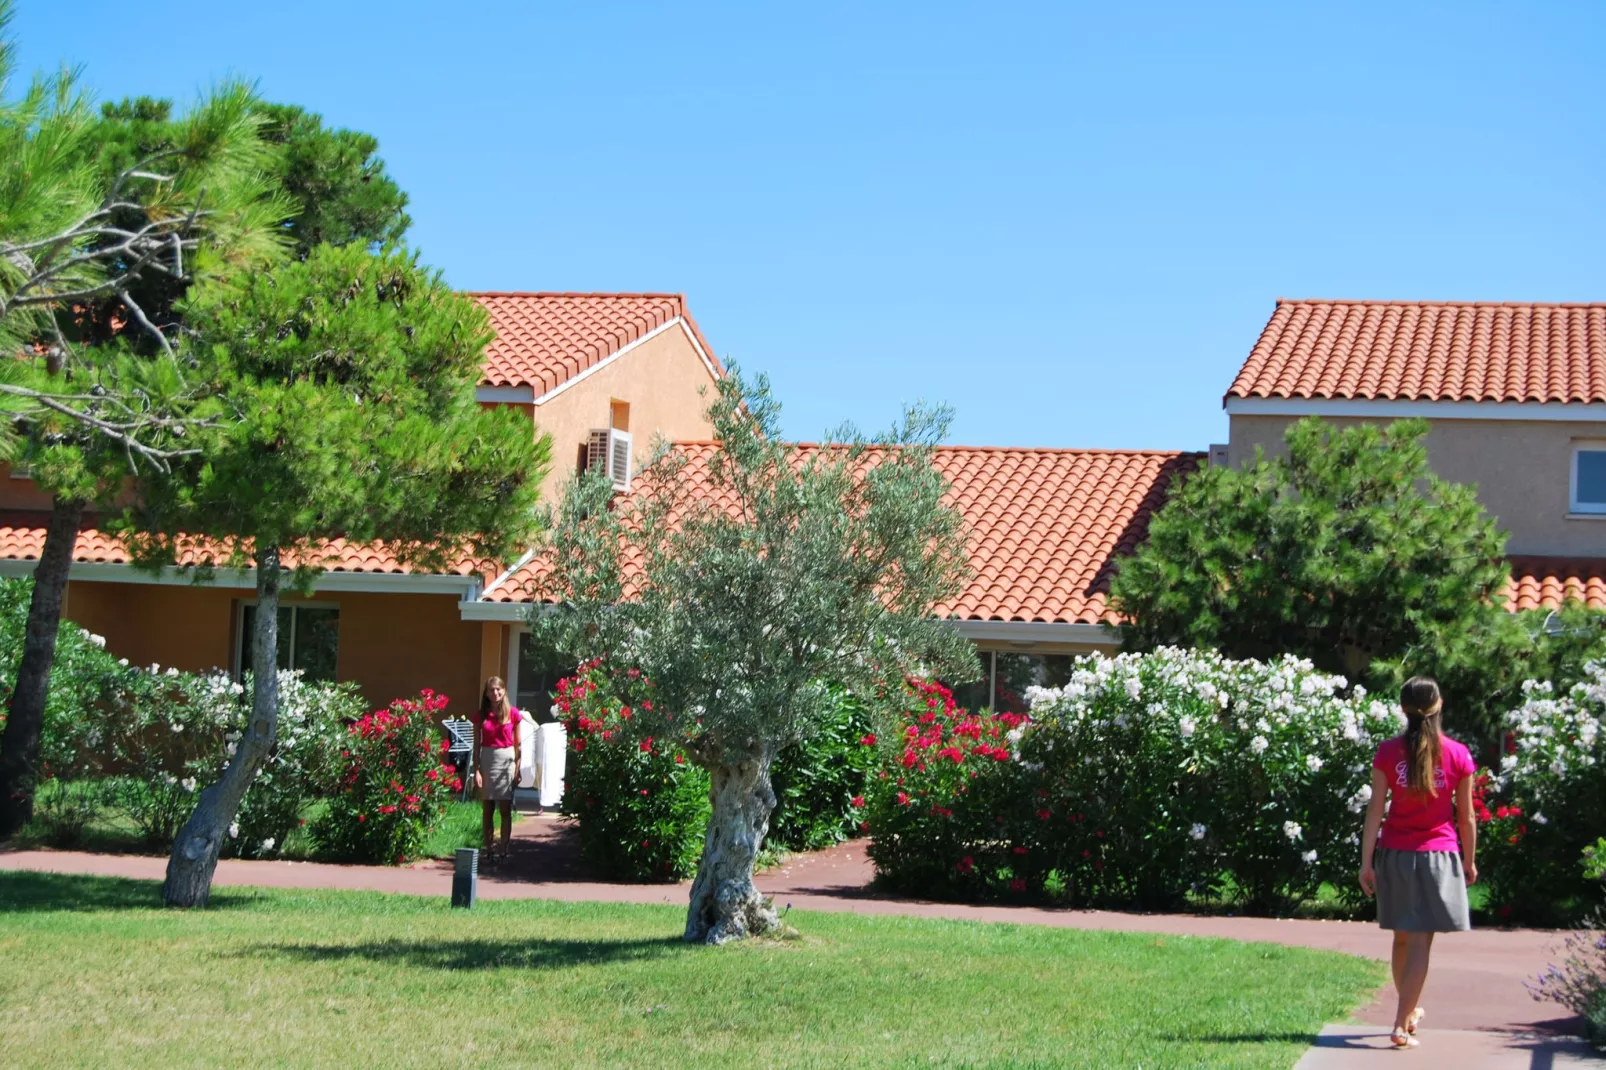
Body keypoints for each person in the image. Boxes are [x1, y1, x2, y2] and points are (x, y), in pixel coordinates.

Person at [1358, 676, 1478, 1050]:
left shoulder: (1388, 752)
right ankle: (1399, 1022)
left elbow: (1375, 810)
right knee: (1421, 943)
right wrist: (1470, 862)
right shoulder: (1458, 754)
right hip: (1437, 856)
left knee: (1401, 939)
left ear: (1402, 709)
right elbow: (1466, 817)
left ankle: (1408, 1012)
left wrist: (1367, 862)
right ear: (1439, 705)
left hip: (1394, 854)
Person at [474, 676, 523, 864]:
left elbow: (518, 744)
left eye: (498, 689)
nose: (495, 693)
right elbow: (476, 744)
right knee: (487, 808)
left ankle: (504, 848)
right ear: (486, 693)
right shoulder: (481, 715)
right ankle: (489, 849)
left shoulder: (513, 714)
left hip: (506, 760)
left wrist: (518, 769)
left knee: (504, 808)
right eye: (491, 690)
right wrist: (477, 770)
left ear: (504, 691)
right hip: (487, 759)